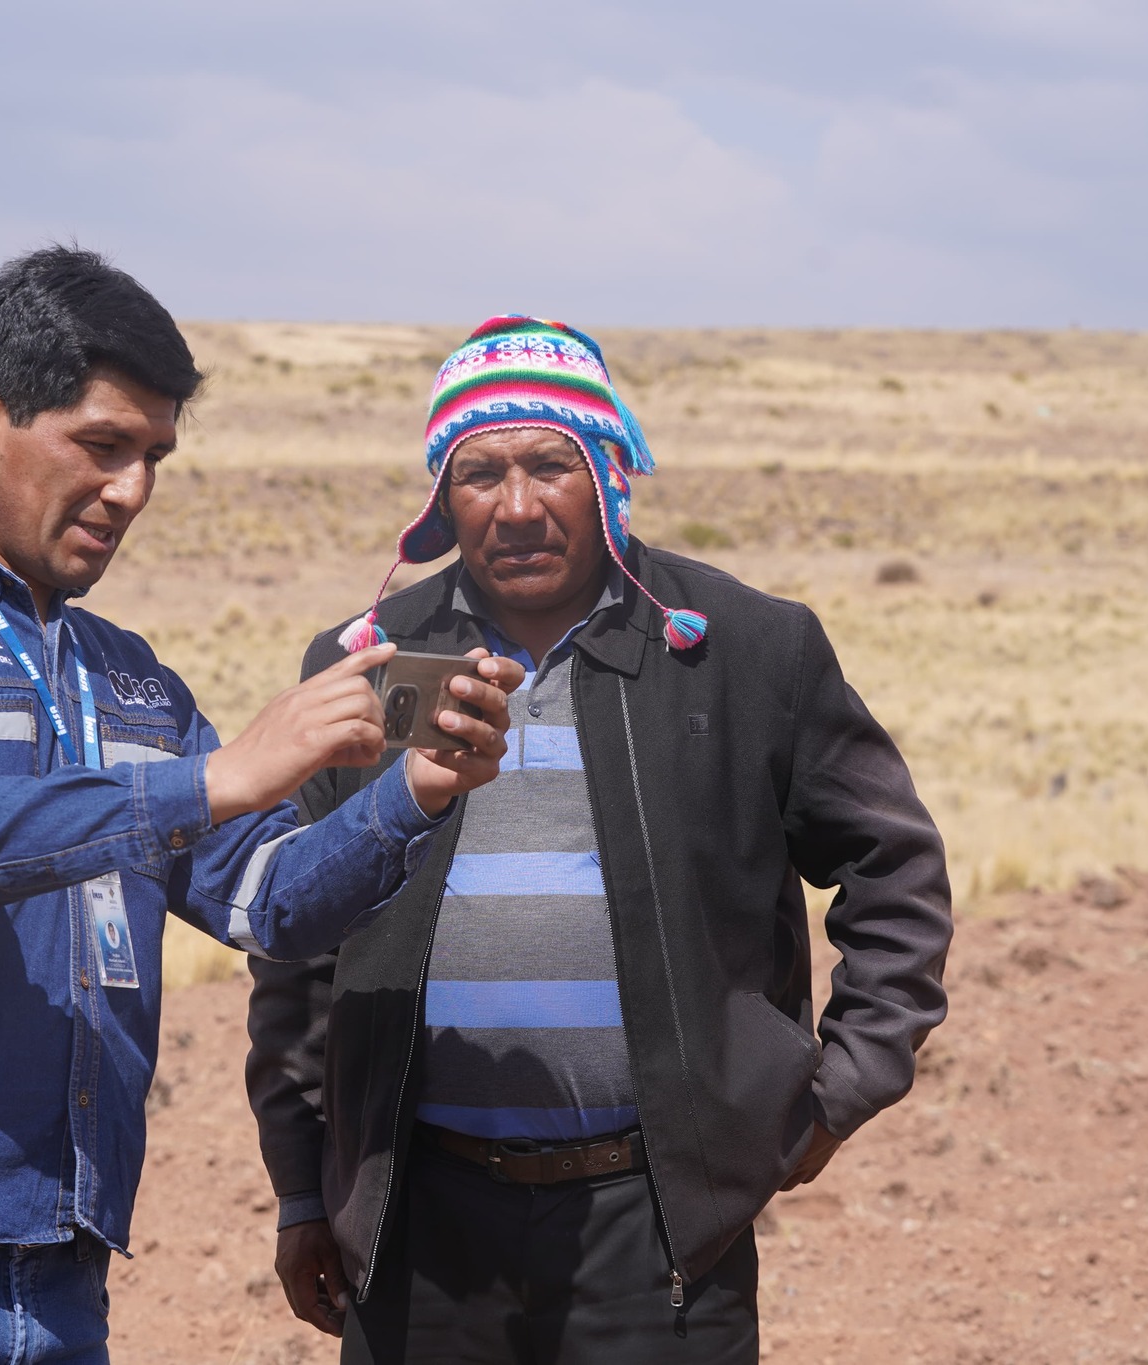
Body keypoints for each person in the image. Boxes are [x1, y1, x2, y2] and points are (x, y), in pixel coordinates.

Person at [0, 249, 523, 1365]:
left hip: (58, 1276)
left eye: (153, 457)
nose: (131, 490)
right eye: (101, 445)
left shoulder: (125, 676)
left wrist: (417, 795)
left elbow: (268, 901)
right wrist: (218, 776)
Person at [245, 315, 953, 1364]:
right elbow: (298, 934)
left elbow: (893, 871)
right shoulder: (373, 665)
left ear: (611, 474)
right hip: (417, 1224)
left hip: (658, 1221)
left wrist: (839, 1087)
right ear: (442, 497)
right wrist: (306, 1186)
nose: (517, 505)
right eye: (480, 473)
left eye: (550, 465)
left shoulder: (740, 651)